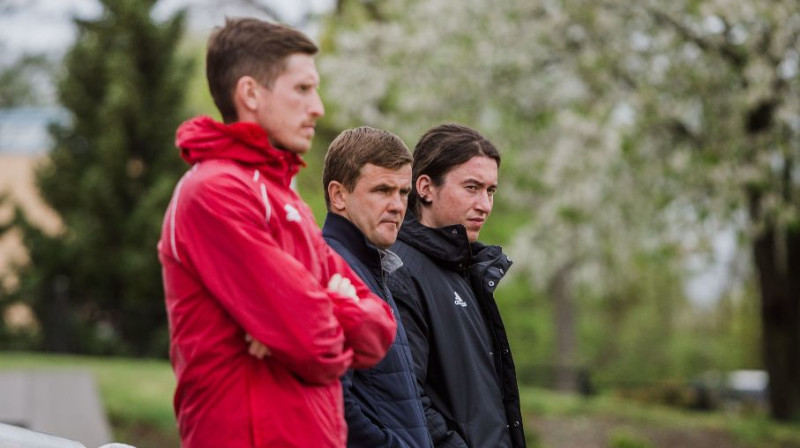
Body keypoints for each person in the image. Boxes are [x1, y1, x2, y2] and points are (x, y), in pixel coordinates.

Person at [157, 18, 396, 448]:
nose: (318, 107)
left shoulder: (285, 199)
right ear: (250, 93)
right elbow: (313, 343)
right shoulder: (213, 192)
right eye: (302, 89)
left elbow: (379, 327)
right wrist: (330, 307)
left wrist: (311, 312)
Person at [387, 124, 526, 447]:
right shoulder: (398, 270)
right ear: (425, 187)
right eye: (472, 187)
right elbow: (405, 396)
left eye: (490, 191)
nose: (485, 205)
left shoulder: (467, 270)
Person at [320, 127, 433, 448]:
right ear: (339, 195)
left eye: (403, 192)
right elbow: (332, 403)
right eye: (383, 190)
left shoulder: (372, 265)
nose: (398, 206)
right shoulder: (330, 268)